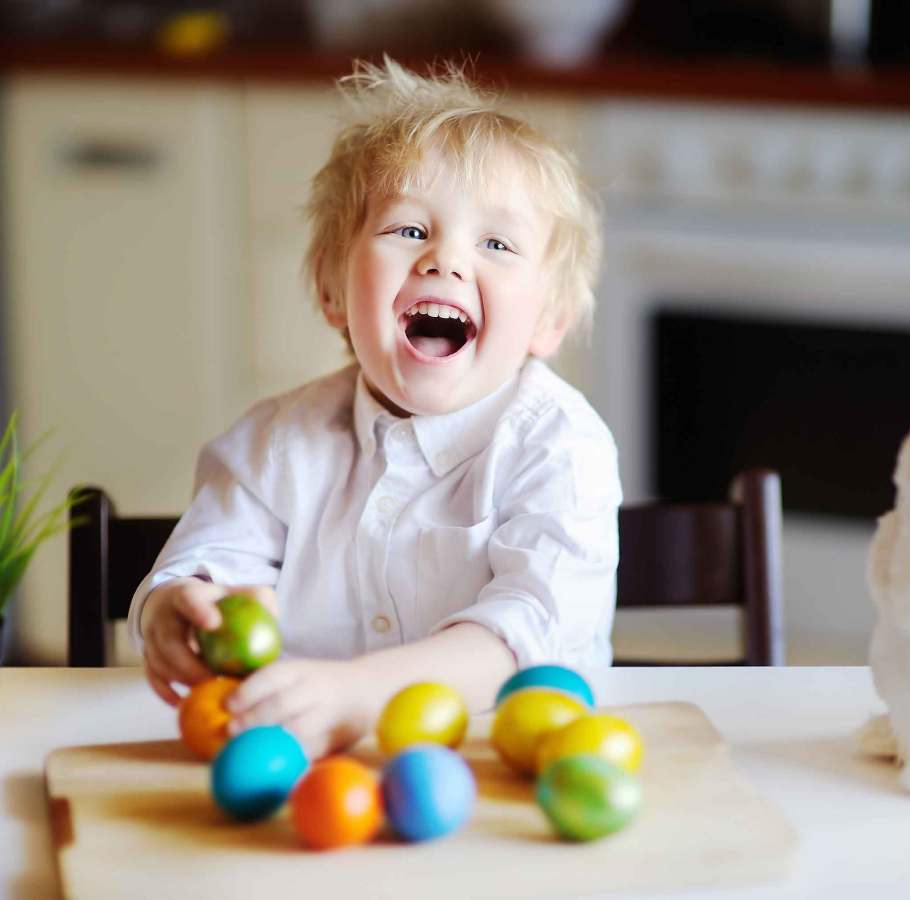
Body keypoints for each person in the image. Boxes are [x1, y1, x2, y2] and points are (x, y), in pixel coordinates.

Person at [127, 58, 622, 758]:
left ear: (549, 321)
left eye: (496, 243)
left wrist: (359, 694)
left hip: (505, 774)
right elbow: (210, 560)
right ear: (332, 290)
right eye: (408, 231)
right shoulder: (277, 443)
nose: (445, 261)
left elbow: (528, 633)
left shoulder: (561, 448)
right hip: (310, 781)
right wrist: (177, 611)